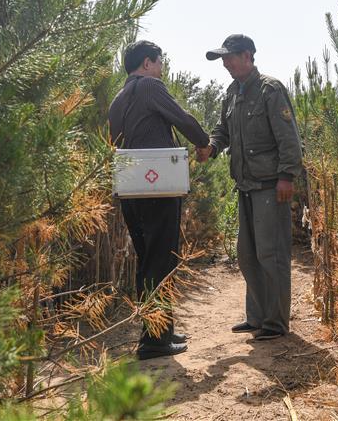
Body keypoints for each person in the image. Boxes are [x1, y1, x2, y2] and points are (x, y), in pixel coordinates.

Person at [108, 39, 210, 360]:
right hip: (157, 188)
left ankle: (159, 329)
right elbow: (182, 118)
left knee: (148, 259)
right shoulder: (149, 86)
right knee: (161, 260)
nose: (162, 69)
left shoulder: (117, 99)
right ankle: (154, 340)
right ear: (148, 63)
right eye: (160, 62)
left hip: (130, 189)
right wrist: (203, 142)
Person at [196, 34, 303, 340]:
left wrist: (286, 176)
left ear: (247, 56)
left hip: (270, 185)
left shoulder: (270, 90)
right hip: (245, 185)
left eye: (229, 57)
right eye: (223, 59)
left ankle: (276, 323)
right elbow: (223, 131)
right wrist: (211, 147)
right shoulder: (232, 93)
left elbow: (289, 138)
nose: (225, 64)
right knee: (247, 255)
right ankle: (257, 317)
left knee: (271, 255)